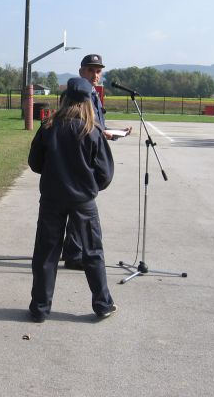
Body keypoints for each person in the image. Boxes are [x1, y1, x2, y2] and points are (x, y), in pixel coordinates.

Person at [28, 78, 116, 323]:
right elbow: (105, 173)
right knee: (93, 252)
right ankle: (102, 303)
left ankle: (40, 307)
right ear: (89, 102)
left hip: (52, 199)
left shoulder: (48, 126)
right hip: (83, 201)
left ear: (63, 100)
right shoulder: (93, 130)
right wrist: (88, 187)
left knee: (46, 253)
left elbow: (35, 163)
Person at [62, 54, 130, 270]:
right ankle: (74, 255)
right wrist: (103, 133)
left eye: (98, 71)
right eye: (91, 70)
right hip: (78, 157)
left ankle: (70, 249)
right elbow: (76, 122)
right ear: (81, 71)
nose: (95, 75)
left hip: (89, 152)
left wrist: (109, 131)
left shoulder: (94, 95)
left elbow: (97, 123)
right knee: (80, 207)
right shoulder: (77, 94)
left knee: (79, 207)